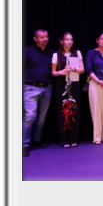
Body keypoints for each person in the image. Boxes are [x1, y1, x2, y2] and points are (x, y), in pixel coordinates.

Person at [22, 29, 55, 157]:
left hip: (47, 88)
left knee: (42, 117)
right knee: (30, 116)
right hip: (31, 88)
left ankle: (37, 139)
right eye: (42, 37)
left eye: (46, 37)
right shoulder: (27, 51)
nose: (45, 39)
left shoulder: (51, 52)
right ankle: (24, 144)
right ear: (35, 39)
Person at [51, 32, 85, 147]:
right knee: (62, 112)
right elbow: (53, 72)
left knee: (74, 111)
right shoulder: (56, 55)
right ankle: (64, 140)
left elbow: (82, 70)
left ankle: (74, 138)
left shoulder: (77, 53)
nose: (69, 42)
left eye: (71, 39)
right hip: (61, 85)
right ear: (62, 41)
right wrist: (62, 72)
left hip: (74, 84)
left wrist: (73, 68)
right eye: (67, 39)